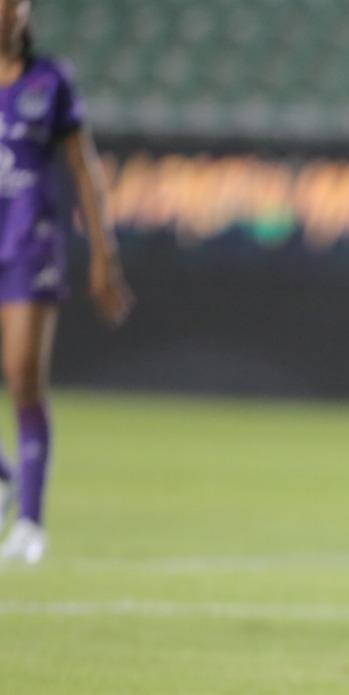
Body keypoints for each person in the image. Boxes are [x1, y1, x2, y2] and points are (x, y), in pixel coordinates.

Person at [0, 0, 133, 566]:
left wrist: (105, 253)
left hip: (30, 245)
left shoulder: (50, 81)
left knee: (23, 375)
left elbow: (84, 168)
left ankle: (30, 522)